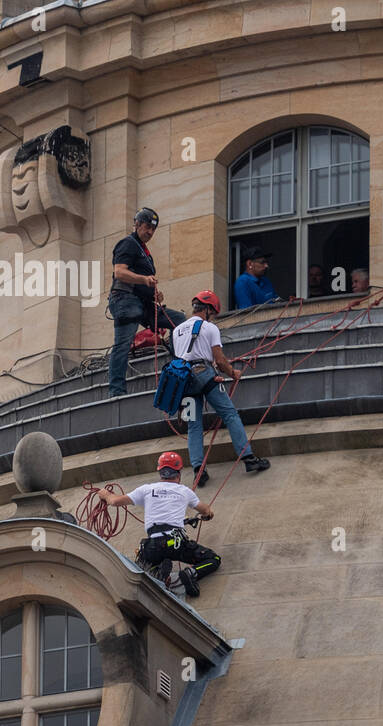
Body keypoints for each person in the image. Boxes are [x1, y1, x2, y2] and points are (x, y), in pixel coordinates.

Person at [173, 290, 270, 487]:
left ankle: (199, 471)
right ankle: (249, 459)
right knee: (230, 414)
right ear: (208, 309)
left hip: (183, 382)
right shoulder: (209, 328)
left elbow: (184, 357)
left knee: (194, 426)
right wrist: (233, 373)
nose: (214, 317)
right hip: (204, 375)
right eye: (214, 313)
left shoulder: (176, 331)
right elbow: (220, 359)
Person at [94, 452, 217, 597]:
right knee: (213, 559)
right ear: (179, 472)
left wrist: (105, 495)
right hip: (176, 543)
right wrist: (207, 514)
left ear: (160, 472)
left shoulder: (146, 489)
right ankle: (189, 574)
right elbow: (206, 510)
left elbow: (115, 501)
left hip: (154, 545)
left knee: (143, 573)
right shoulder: (185, 491)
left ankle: (161, 575)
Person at [107, 207, 185, 396]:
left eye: (153, 229)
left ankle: (178, 371)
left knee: (180, 321)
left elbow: (140, 278)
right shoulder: (128, 244)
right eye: (147, 227)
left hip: (143, 303)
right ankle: (116, 391)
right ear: (137, 224)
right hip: (126, 300)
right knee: (122, 345)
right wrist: (144, 280)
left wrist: (153, 294)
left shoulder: (143, 251)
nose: (150, 232)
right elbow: (119, 272)